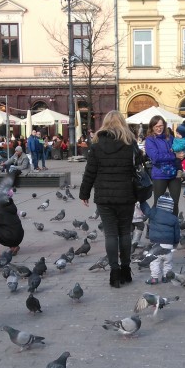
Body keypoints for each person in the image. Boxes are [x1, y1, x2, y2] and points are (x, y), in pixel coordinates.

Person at [79, 109, 140, 288]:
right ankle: (126, 270)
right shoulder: (130, 143)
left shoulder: (97, 144)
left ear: (105, 123)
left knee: (111, 235)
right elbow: (138, 168)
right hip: (126, 194)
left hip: (104, 197)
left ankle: (114, 273)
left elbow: (90, 171)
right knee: (125, 233)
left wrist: (84, 193)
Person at [144, 115, 183, 213]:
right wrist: (174, 155)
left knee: (175, 203)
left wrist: (183, 154)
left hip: (174, 173)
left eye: (161, 126)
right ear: (152, 127)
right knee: (158, 203)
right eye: (156, 126)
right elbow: (155, 157)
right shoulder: (150, 140)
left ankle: (174, 222)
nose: (159, 128)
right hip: (159, 174)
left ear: (164, 126)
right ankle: (153, 222)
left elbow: (178, 151)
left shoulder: (170, 138)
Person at [139, 193, 180, 285]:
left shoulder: (154, 213)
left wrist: (142, 201)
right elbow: (177, 233)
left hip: (156, 245)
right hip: (169, 246)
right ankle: (166, 277)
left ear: (159, 204)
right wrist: (175, 243)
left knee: (154, 262)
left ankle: (154, 278)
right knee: (168, 263)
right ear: (171, 207)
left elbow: (146, 209)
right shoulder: (174, 218)